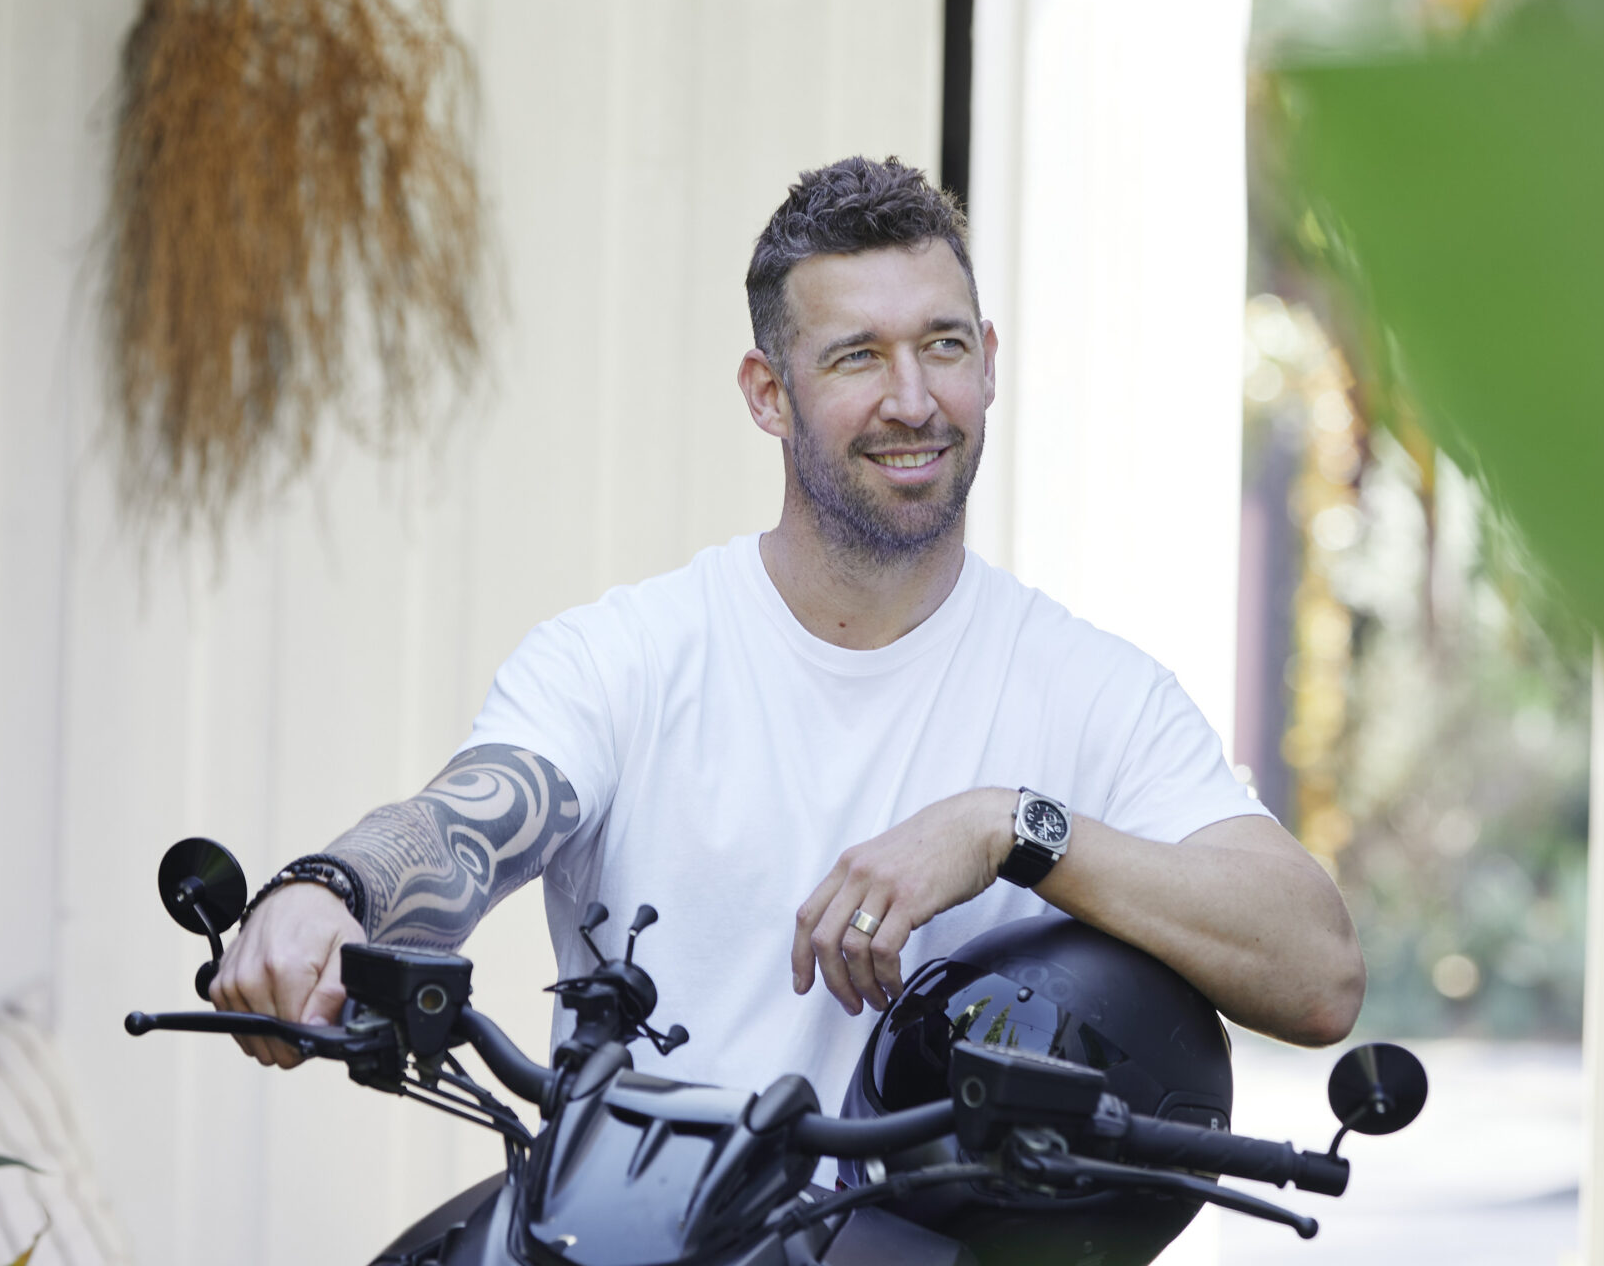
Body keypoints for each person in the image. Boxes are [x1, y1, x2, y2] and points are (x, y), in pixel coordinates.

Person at [213, 155, 1365, 1101]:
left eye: (943, 345)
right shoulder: (625, 658)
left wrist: (1009, 830)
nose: (913, 400)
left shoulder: (1089, 690)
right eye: (857, 356)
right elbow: (469, 819)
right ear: (768, 393)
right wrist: (331, 891)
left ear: (990, 361)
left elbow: (1317, 976)